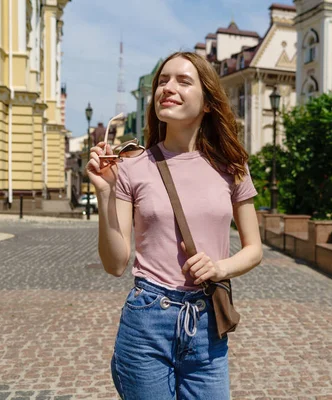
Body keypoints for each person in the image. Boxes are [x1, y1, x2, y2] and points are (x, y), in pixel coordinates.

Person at [86, 51, 263, 400]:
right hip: (147, 319)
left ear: (208, 101)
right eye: (162, 81)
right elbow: (116, 263)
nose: (168, 88)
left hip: (207, 321)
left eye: (183, 81)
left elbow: (254, 249)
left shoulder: (233, 166)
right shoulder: (133, 166)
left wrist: (218, 267)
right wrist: (105, 195)